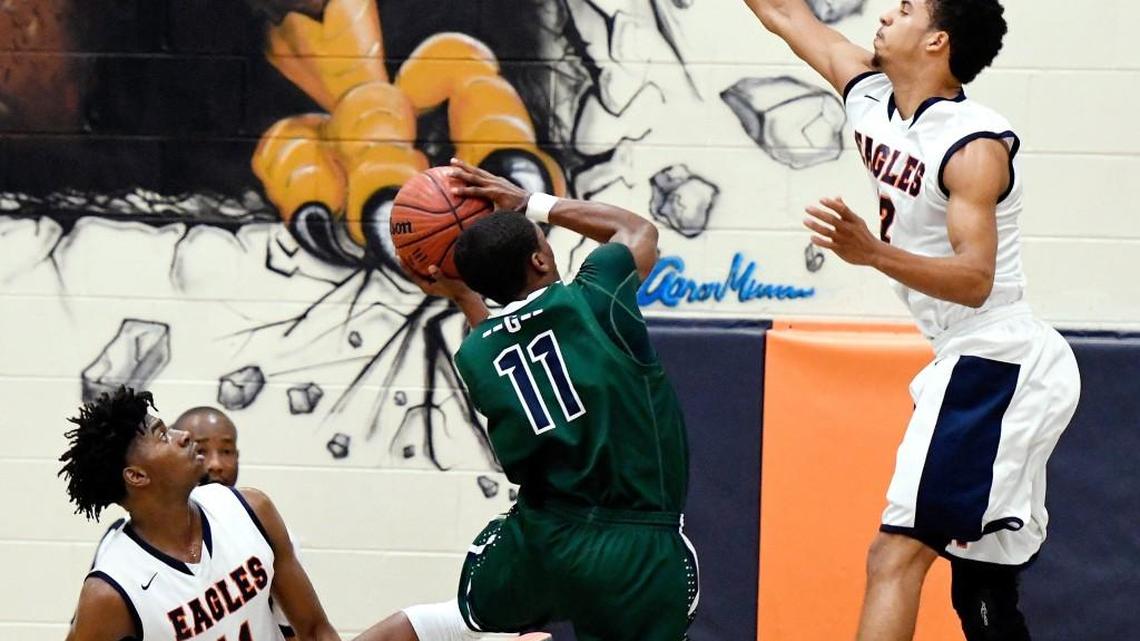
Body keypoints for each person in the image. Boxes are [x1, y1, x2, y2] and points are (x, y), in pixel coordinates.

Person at [742, 1, 1081, 640]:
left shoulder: (972, 144)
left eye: (905, 10)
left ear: (936, 42)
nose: (886, 14)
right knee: (981, 586)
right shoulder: (871, 95)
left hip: (997, 355)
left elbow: (976, 279)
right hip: (974, 357)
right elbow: (787, 14)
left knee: (894, 555)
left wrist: (871, 252)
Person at [351, 158, 698, 641]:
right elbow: (635, 229)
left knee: (451, 620)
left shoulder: (476, 353)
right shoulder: (596, 297)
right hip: (636, 542)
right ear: (539, 259)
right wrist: (529, 203)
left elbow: (496, 334)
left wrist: (459, 293)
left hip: (545, 541)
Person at [59, 386, 340, 641]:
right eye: (162, 435)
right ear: (137, 475)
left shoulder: (253, 509)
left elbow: (316, 631)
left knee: (387, 630)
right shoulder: (109, 591)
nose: (183, 436)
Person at [174, 406, 298, 639]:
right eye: (200, 450)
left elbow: (299, 631)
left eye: (227, 451)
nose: (216, 464)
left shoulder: (266, 527)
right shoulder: (128, 542)